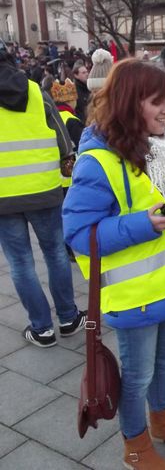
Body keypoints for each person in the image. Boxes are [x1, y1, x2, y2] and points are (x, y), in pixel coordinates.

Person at [62, 59, 165, 469]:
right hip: (135, 295)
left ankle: (164, 423)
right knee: (137, 377)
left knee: (163, 366)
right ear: (128, 103)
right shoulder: (97, 161)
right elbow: (77, 235)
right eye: (157, 102)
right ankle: (136, 446)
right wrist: (141, 225)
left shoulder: (161, 149)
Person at [0, 38, 86, 348]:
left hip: (3, 198)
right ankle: (68, 317)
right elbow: (62, 136)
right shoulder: (35, 90)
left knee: (20, 262)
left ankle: (41, 328)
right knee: (55, 254)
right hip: (44, 189)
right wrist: (66, 162)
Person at [51, 78, 84, 148]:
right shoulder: (73, 120)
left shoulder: (52, 116)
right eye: (75, 99)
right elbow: (82, 145)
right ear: (70, 101)